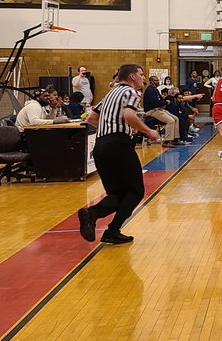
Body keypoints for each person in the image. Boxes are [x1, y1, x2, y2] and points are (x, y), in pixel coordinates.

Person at [76, 64, 161, 245]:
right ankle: (111, 230)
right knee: (136, 192)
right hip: (119, 146)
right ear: (131, 76)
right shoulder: (130, 93)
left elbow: (91, 118)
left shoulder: (109, 95)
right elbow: (129, 115)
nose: (143, 78)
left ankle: (92, 214)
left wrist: (107, 133)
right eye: (141, 74)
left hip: (100, 146)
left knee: (118, 194)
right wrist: (149, 132)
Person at [142, 75, 181, 143]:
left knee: (176, 118)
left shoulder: (156, 90)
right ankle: (167, 140)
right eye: (156, 80)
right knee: (170, 121)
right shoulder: (149, 90)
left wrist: (164, 102)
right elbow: (156, 103)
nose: (158, 82)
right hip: (151, 111)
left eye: (158, 80)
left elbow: (161, 100)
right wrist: (166, 102)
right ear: (151, 82)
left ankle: (175, 138)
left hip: (158, 109)